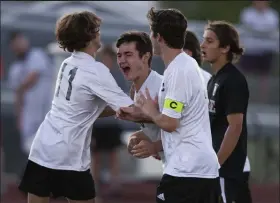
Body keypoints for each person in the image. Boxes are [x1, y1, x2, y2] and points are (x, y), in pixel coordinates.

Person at [18, 11, 134, 203]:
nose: (99, 33)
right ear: (89, 35)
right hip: (69, 154)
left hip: (43, 147)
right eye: (96, 30)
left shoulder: (67, 63)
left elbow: (83, 111)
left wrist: (119, 109)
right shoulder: (96, 70)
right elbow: (131, 109)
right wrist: (162, 115)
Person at [118, 8, 220, 203]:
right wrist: (140, 117)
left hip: (188, 172)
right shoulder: (182, 66)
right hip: (195, 170)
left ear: (159, 37)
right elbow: (181, 120)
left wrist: (151, 111)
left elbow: (170, 123)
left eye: (151, 33)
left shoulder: (178, 71)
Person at [201, 20, 252, 203]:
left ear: (224, 48)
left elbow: (235, 127)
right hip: (217, 171)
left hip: (228, 171)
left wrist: (216, 163)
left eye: (209, 41)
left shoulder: (233, 80)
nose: (203, 45)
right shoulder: (214, 80)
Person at [116, 31, 165, 164]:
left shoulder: (163, 86)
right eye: (119, 55)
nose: (122, 60)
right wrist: (139, 135)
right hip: (171, 165)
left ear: (145, 57)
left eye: (128, 55)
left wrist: (155, 146)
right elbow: (158, 128)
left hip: (188, 167)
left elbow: (183, 128)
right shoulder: (134, 91)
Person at [7, 31, 53, 156]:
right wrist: (19, 117)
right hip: (28, 116)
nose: (19, 44)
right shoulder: (14, 69)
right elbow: (17, 96)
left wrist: (20, 88)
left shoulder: (37, 55)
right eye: (15, 43)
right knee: (31, 150)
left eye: (20, 40)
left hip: (45, 111)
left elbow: (33, 77)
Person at [90, 45, 123, 199]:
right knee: (95, 157)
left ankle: (115, 186)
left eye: (109, 58)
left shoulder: (118, 77)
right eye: (104, 58)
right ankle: (94, 188)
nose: (107, 61)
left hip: (112, 124)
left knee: (113, 156)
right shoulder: (94, 77)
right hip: (97, 124)